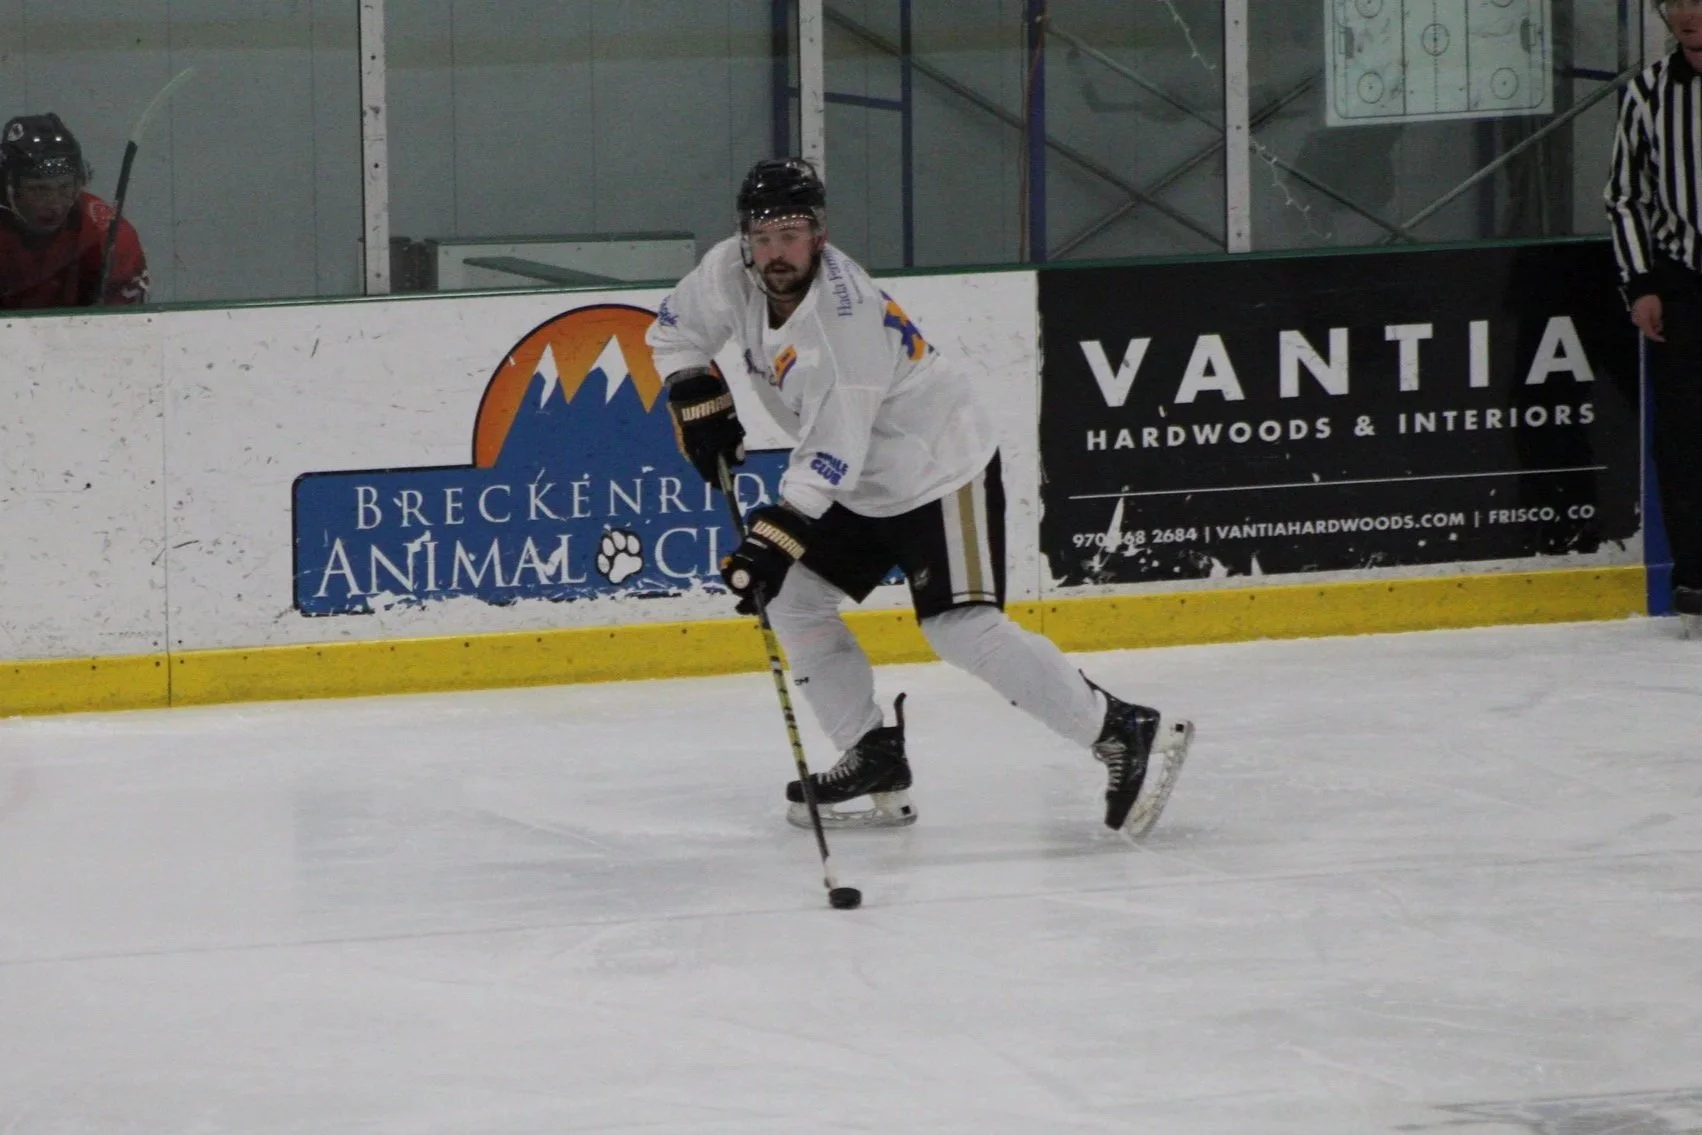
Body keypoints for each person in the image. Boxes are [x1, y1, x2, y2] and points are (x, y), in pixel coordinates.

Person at [647, 156, 1194, 834]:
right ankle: (872, 752)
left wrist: (771, 538)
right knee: (790, 596)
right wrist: (694, 388)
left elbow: (826, 462)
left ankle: (1122, 729)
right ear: (744, 236)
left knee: (959, 629)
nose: (775, 252)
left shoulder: (840, 326)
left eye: (791, 234)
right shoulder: (731, 271)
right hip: (860, 476)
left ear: (820, 234)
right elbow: (673, 331)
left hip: (938, 468)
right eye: (763, 235)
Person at [1606, 0, 1702, 631]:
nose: (1688, 14)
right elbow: (1624, 196)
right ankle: (1697, 582)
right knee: (1687, 438)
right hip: (1685, 284)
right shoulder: (1649, 92)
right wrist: (1640, 282)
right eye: (1677, 3)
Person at [0, 113, 148, 309]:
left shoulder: (108, 234)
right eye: (39, 189)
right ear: (8, 188)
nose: (56, 204)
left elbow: (127, 327)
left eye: (66, 187)